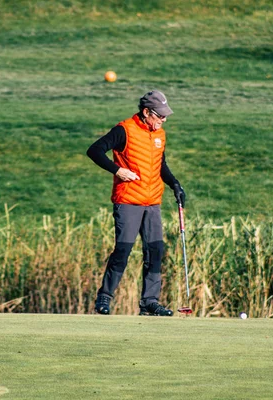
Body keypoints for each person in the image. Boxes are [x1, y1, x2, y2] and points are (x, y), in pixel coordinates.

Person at [86, 90, 186, 316]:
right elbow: (94, 150)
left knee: (155, 251)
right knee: (123, 250)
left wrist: (175, 185)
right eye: (159, 116)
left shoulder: (160, 134)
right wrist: (117, 170)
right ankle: (104, 297)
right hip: (128, 200)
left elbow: (161, 165)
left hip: (152, 202)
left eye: (165, 116)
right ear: (146, 112)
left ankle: (149, 302)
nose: (163, 120)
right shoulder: (124, 130)